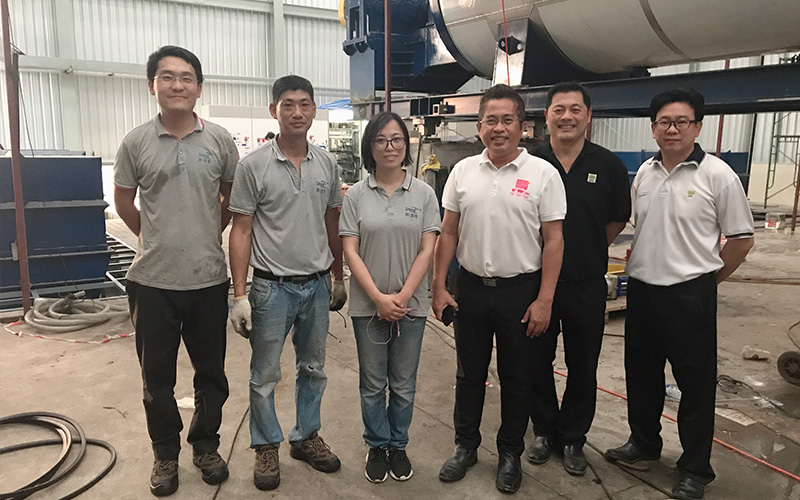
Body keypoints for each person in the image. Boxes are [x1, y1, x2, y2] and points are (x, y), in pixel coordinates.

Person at [604, 89, 754, 500]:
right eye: (664, 122)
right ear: (653, 128)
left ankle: (695, 468)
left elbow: (741, 239)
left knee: (695, 385)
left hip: (690, 295)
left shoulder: (718, 175)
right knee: (642, 375)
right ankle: (643, 443)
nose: (672, 129)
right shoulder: (646, 173)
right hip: (643, 292)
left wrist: (707, 281)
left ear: (697, 127)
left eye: (682, 122)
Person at [113, 45, 238, 497]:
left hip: (208, 279)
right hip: (152, 283)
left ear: (199, 88)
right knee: (157, 381)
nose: (177, 85)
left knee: (211, 375)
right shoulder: (136, 142)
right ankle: (165, 454)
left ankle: (205, 446)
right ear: (153, 86)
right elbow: (123, 200)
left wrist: (205, 233)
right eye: (167, 77)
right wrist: (154, 236)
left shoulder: (220, 141)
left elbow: (230, 199)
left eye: (186, 78)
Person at [432, 84, 566, 494]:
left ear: (522, 126)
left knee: (517, 377)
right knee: (469, 374)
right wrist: (438, 285)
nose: (499, 128)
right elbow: (448, 232)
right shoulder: (463, 172)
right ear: (479, 126)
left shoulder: (543, 174)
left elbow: (554, 241)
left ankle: (510, 453)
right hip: (470, 289)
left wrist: (544, 300)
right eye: (491, 120)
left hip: (520, 292)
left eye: (508, 120)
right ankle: (465, 446)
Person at [227, 75, 348, 492]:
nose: (297, 112)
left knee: (312, 368)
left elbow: (333, 224)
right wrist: (239, 295)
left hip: (316, 286)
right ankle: (266, 445)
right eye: (288, 104)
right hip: (271, 288)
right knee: (264, 375)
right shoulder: (253, 166)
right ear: (273, 110)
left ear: (314, 110)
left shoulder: (327, 164)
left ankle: (306, 436)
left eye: (304, 104)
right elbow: (241, 230)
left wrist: (338, 276)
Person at [527, 82, 631, 476]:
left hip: (587, 285)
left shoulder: (608, 165)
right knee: (537, 361)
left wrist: (586, 247)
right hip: (536, 285)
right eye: (559, 109)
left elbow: (617, 218)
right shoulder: (531, 162)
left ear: (588, 115)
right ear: (547, 116)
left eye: (575, 109)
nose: (567, 116)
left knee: (583, 366)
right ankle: (543, 431)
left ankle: (573, 438)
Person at [339, 112, 441, 483]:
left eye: (396, 139)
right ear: (370, 146)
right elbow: (350, 251)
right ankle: (377, 444)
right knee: (372, 384)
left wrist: (404, 296)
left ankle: (398, 444)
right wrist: (379, 299)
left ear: (405, 144)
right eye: (380, 140)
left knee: (403, 383)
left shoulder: (424, 193)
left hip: (411, 308)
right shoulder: (356, 195)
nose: (389, 147)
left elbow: (428, 248)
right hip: (368, 307)